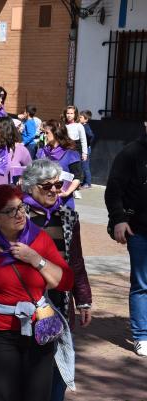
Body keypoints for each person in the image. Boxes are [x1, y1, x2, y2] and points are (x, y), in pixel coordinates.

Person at [0, 184, 74, 401]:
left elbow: (66, 282)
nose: (19, 215)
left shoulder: (39, 239)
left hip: (39, 330)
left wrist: (35, 259)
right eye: (10, 211)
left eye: (21, 208)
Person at [21, 159, 93, 399]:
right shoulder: (18, 217)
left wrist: (83, 299)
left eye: (58, 184)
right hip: (26, 303)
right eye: (46, 185)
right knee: (30, 367)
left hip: (60, 302)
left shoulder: (68, 217)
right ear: (30, 186)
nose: (54, 189)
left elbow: (76, 262)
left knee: (58, 365)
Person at [104, 120, 147, 356]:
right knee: (142, 283)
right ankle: (142, 335)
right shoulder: (130, 153)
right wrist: (119, 218)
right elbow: (114, 189)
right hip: (139, 229)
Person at [36, 120, 82, 210]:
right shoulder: (41, 152)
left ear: (56, 134)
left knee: (62, 224)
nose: (44, 135)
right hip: (43, 201)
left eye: (47, 133)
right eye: (43, 132)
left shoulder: (71, 154)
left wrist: (67, 192)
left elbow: (78, 177)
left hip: (63, 202)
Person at [0, 117, 32, 187]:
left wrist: (23, 178)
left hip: (11, 194)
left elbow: (30, 169)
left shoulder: (20, 150)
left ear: (3, 130)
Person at [79, 110, 94, 189]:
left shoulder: (86, 127)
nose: (79, 118)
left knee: (85, 166)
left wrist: (88, 144)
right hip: (84, 149)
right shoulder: (82, 126)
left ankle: (88, 183)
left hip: (86, 149)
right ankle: (85, 182)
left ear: (86, 119)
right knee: (84, 165)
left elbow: (91, 135)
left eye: (80, 117)